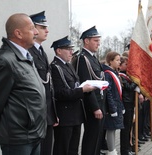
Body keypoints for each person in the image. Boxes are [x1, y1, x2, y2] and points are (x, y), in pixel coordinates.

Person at [0, 13, 46, 155]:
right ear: (18, 33)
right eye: (32, 28)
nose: (36, 32)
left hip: (33, 134)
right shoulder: (4, 60)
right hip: (18, 138)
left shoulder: (25, 56)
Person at [50, 36, 95, 155]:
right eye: (68, 49)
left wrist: (87, 89)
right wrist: (82, 90)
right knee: (62, 149)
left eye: (71, 48)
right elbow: (59, 93)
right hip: (65, 116)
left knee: (73, 149)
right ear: (59, 51)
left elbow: (75, 84)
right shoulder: (55, 67)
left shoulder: (68, 65)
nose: (71, 52)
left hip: (75, 115)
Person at [72, 26, 106, 155]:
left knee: (97, 137)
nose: (98, 43)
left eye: (99, 40)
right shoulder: (83, 58)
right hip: (92, 105)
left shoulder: (92, 58)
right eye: (95, 40)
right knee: (91, 138)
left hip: (100, 102)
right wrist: (95, 107)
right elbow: (86, 84)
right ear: (86, 41)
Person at [29, 11, 58, 155]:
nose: (47, 30)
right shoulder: (28, 52)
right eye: (42, 27)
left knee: (47, 150)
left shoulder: (41, 52)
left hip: (46, 115)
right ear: (32, 29)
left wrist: (52, 114)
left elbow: (48, 87)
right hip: (36, 117)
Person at [102, 51, 124, 155]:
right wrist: (112, 108)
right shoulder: (108, 74)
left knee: (114, 128)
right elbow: (108, 92)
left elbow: (118, 92)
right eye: (117, 60)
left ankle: (112, 149)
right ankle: (111, 151)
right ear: (110, 61)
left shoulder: (114, 73)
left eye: (120, 60)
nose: (119, 62)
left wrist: (121, 106)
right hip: (112, 107)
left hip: (116, 105)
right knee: (111, 129)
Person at [119, 56, 137, 155]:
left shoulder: (127, 75)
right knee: (125, 128)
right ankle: (124, 150)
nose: (128, 66)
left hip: (130, 102)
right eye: (126, 64)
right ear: (120, 65)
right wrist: (136, 82)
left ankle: (128, 148)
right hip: (126, 103)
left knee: (129, 127)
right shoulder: (121, 76)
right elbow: (129, 87)